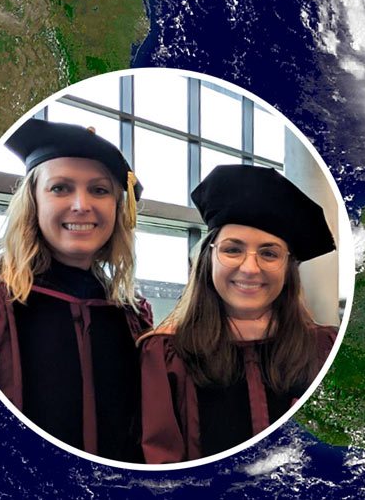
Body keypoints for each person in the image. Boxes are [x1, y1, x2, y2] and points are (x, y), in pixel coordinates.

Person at [0, 118, 152, 462]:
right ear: (33, 201)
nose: (81, 204)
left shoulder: (132, 314)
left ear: (117, 209)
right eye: (60, 188)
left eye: (100, 190)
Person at [140, 164, 339, 463]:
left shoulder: (325, 348)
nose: (250, 268)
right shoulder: (166, 356)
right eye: (233, 249)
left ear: (288, 268)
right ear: (209, 258)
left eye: (269, 253)